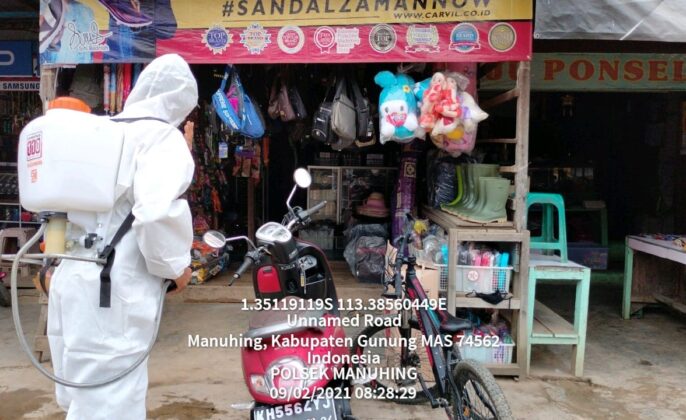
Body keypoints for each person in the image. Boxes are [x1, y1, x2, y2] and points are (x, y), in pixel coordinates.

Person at [46, 53, 198, 419]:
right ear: (181, 103)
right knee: (111, 404)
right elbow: (156, 213)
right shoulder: (162, 138)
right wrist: (176, 268)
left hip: (70, 282)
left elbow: (59, 204)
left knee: (80, 399)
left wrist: (52, 263)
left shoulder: (97, 131)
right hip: (113, 293)